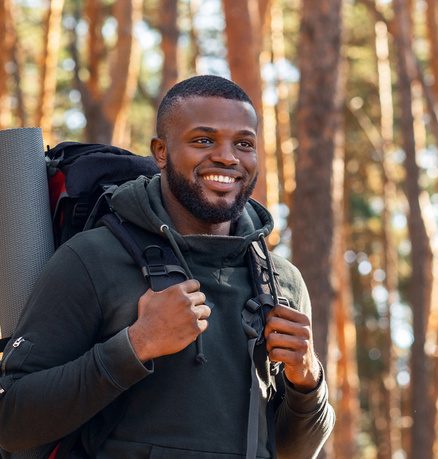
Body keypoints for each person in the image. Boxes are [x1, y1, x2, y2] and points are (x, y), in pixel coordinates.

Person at [0, 75, 335, 458]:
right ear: (161, 152)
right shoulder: (93, 258)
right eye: (203, 140)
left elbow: (293, 451)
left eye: (243, 143)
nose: (227, 157)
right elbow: (11, 422)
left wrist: (307, 380)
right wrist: (136, 344)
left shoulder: (281, 282)